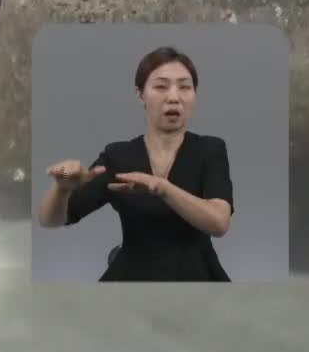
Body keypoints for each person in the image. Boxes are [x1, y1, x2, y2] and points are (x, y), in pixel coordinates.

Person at [34, 46, 235, 281]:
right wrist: (62, 189)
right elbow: (51, 220)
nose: (174, 97)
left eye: (185, 87)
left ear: (195, 94)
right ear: (140, 94)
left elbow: (219, 223)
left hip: (197, 275)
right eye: (161, 86)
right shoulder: (119, 156)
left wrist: (161, 188)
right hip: (132, 274)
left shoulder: (210, 149)